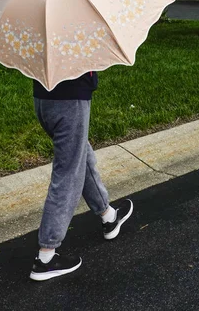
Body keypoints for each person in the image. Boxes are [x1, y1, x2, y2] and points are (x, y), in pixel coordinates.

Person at [29, 72, 133, 281]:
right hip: (70, 100)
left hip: (43, 98)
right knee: (68, 173)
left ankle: (108, 217)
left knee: (80, 155)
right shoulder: (75, 40)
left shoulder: (48, 39)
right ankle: (46, 259)